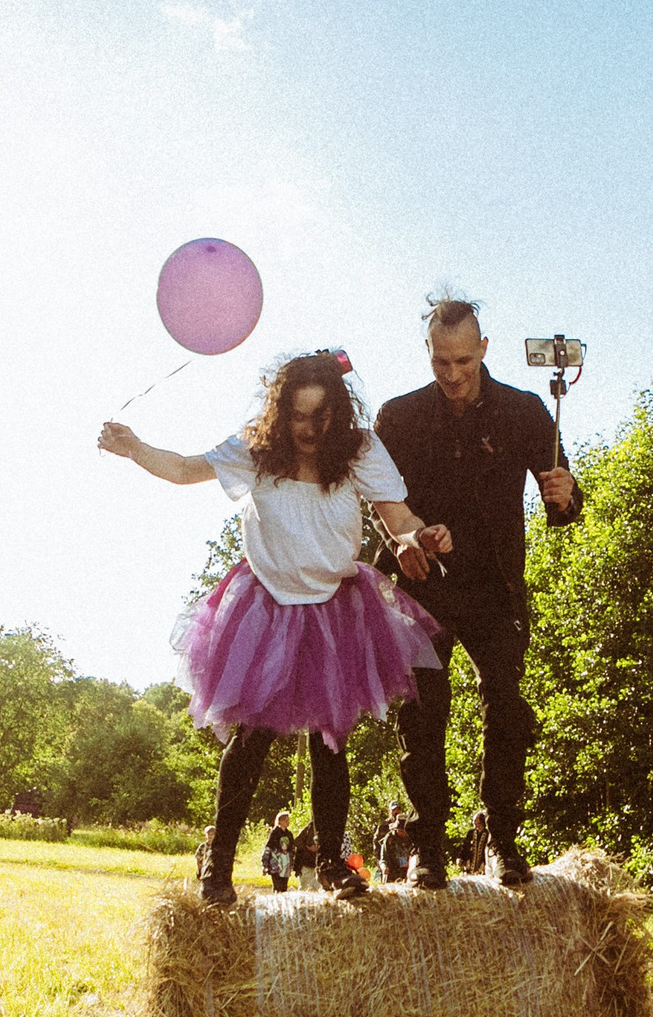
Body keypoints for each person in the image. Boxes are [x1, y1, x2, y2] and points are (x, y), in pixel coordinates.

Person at [100, 350, 453, 904]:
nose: (309, 429)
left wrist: (418, 536)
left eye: (321, 416)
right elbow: (186, 469)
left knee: (330, 743)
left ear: (339, 410)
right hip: (266, 610)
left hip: (337, 608)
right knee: (251, 740)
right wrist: (135, 448)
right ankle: (218, 866)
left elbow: (399, 517)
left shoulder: (358, 450)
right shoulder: (257, 452)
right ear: (280, 412)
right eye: (298, 416)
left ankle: (332, 862)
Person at [374, 295, 581, 887]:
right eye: (441, 362)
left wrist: (566, 495)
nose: (453, 374)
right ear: (427, 352)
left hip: (496, 586)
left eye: (464, 361)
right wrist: (404, 541)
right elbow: (379, 502)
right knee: (422, 717)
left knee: (507, 708)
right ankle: (428, 845)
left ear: (484, 348)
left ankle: (502, 838)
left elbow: (564, 495)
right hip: (423, 585)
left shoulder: (525, 410)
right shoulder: (399, 416)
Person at [262, 811, 296, 893]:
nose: (288, 822)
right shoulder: (275, 833)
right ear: (280, 821)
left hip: (286, 864)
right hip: (275, 864)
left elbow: (292, 849)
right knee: (277, 886)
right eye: (286, 820)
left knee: (284, 888)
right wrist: (265, 864)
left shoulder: (289, 834)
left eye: (288, 820)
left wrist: (292, 863)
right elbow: (268, 848)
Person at [378, 804, 411, 883]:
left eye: (404, 831)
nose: (403, 833)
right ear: (396, 829)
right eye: (400, 831)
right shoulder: (389, 839)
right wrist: (384, 867)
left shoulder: (411, 838)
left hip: (408, 874)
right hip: (392, 874)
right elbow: (383, 859)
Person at [464, 806, 491, 877]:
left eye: (476, 820)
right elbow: (465, 846)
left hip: (482, 865)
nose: (475, 822)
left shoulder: (487, 834)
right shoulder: (471, 833)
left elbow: (488, 849)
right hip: (470, 863)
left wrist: (485, 863)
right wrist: (462, 858)